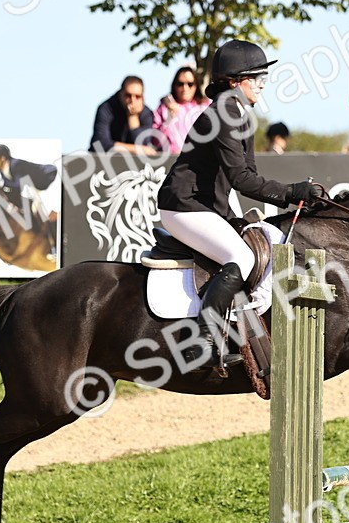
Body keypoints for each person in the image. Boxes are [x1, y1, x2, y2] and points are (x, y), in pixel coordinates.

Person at [157, 40, 322, 368]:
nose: (263, 84)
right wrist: (292, 191)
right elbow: (242, 181)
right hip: (182, 206)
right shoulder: (223, 114)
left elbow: (249, 176)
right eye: (256, 78)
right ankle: (200, 339)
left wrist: (293, 194)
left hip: (206, 206)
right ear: (235, 82)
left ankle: (238, 330)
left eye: (264, 78)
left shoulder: (238, 114)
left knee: (265, 242)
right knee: (241, 257)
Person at [91, 75, 163, 154]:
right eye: (128, 95)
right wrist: (134, 149)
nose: (132, 100)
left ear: (143, 97)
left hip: (134, 164)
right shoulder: (106, 109)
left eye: (137, 96)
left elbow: (144, 144)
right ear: (120, 93)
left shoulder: (147, 113)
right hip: (105, 161)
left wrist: (133, 116)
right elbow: (100, 144)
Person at [152, 66, 209, 155]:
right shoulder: (164, 107)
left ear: (196, 85)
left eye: (190, 84)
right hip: (171, 160)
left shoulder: (205, 106)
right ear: (174, 85)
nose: (185, 88)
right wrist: (168, 120)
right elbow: (156, 141)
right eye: (180, 84)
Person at [0, 144, 59, 211]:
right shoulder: (2, 170)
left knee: (38, 209)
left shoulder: (16, 165)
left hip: (51, 178)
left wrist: (5, 187)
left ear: (2, 158)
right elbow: (8, 186)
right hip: (36, 187)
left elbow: (19, 185)